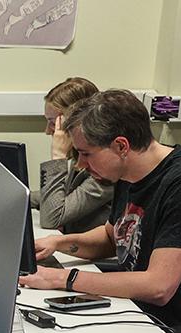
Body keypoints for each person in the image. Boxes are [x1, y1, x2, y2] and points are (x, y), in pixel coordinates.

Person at [21, 90, 181, 328]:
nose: (81, 164)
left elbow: (158, 287)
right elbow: (112, 237)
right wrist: (58, 243)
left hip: (174, 329)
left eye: (86, 154)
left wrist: (62, 278)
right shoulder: (127, 173)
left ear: (121, 146)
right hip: (131, 309)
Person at [29, 77, 115, 234]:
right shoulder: (79, 158)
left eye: (53, 123)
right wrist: (15, 197)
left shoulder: (104, 167)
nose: (47, 131)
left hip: (93, 248)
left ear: (73, 121)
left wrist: (58, 156)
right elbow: (63, 196)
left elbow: (51, 218)